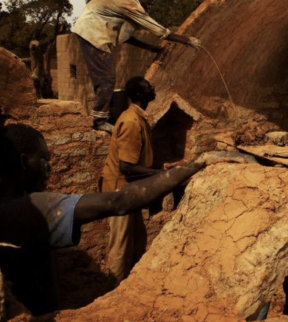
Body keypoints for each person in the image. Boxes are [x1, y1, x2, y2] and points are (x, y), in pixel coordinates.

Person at [0, 123, 206, 315]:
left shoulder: (7, 204)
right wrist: (197, 164)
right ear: (24, 162)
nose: (49, 168)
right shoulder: (33, 209)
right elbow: (118, 201)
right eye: (44, 159)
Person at [72, 0, 201, 133]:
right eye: (147, 3)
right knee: (107, 78)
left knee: (104, 78)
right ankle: (99, 120)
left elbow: (127, 38)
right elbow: (160, 31)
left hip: (90, 30)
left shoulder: (126, 10)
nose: (148, 7)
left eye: (151, 5)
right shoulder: (131, 4)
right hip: (92, 32)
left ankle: (101, 117)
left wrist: (150, 48)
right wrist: (186, 40)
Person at [101, 76, 164, 282]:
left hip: (129, 189)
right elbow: (126, 166)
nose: (153, 89)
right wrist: (160, 175)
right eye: (148, 87)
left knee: (135, 240)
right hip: (120, 189)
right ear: (139, 94)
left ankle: (130, 284)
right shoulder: (131, 121)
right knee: (120, 243)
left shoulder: (138, 117)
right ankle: (114, 289)